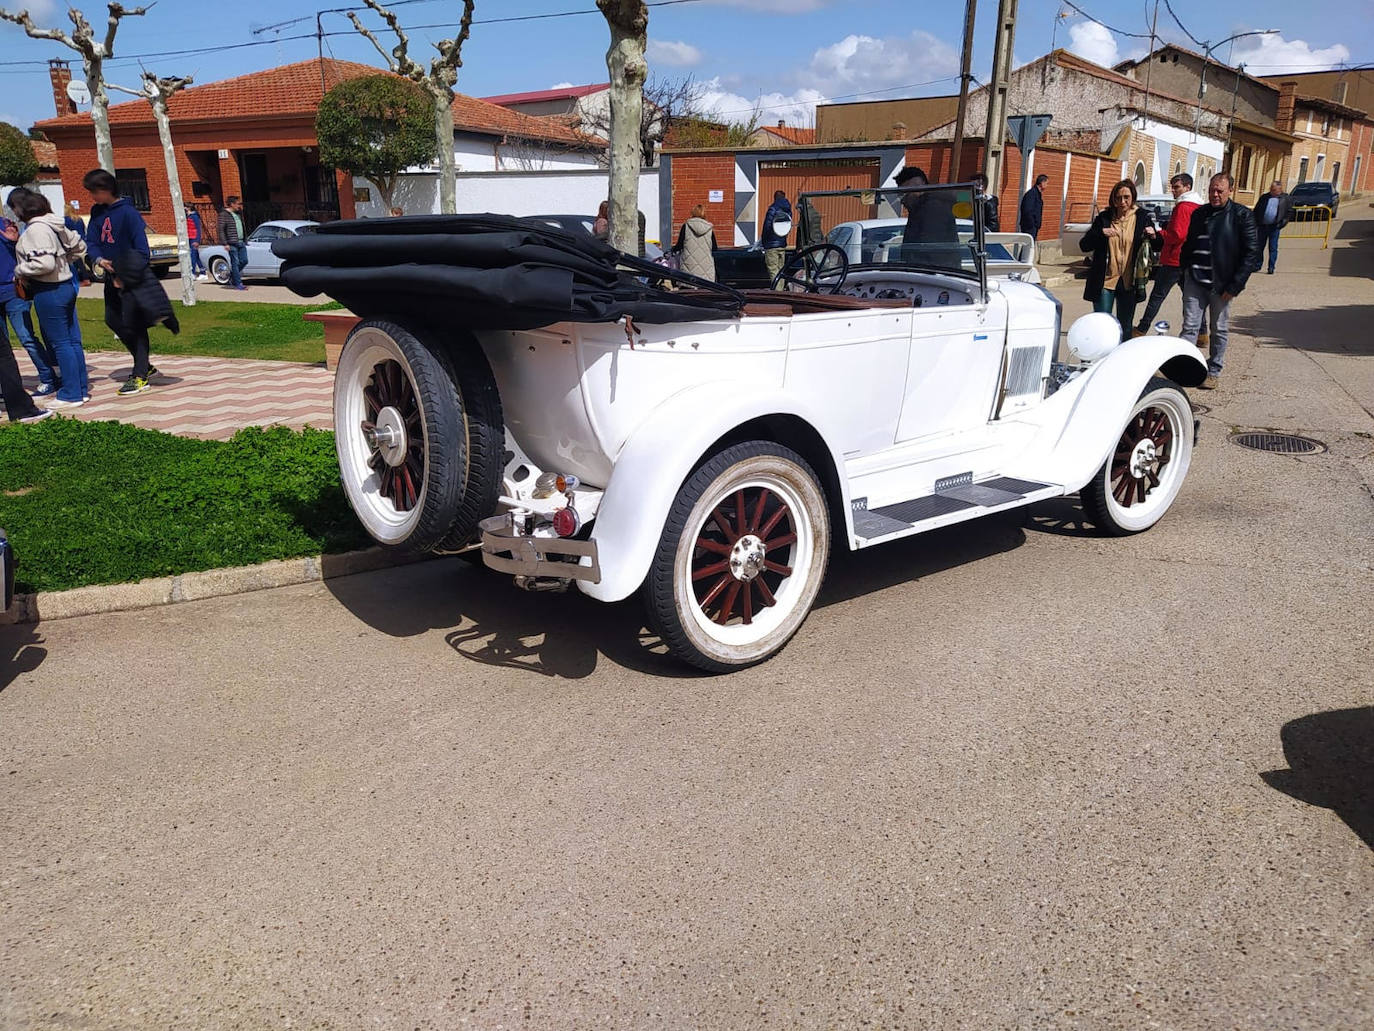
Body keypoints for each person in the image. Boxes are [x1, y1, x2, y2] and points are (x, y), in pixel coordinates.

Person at [84, 168, 174, 396]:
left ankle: (140, 374)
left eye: (95, 192)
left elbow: (142, 251)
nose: (93, 197)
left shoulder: (129, 214)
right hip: (110, 275)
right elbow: (92, 241)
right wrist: (99, 259)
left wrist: (125, 274)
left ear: (106, 190)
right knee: (113, 320)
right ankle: (143, 363)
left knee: (135, 324)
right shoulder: (97, 212)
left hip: (131, 278)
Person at [1179, 172, 1260, 390]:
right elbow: (1189, 245)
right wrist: (1183, 271)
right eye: (1212, 190)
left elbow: (1251, 254)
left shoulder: (1242, 216)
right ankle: (1184, 368)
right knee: (1190, 327)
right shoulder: (1199, 214)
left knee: (1219, 328)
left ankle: (1213, 370)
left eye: (1219, 191)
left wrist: (1235, 285)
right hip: (1195, 279)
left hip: (1222, 284)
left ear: (1229, 191)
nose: (1214, 195)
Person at [9, 188, 88, 409]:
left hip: (49, 289)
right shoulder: (56, 224)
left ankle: (70, 393)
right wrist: (67, 261)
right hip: (66, 285)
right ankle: (80, 389)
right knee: (72, 341)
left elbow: (44, 263)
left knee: (61, 343)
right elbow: (80, 245)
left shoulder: (36, 230)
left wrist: (20, 269)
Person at [1079, 178, 1159, 337]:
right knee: (1102, 326)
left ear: (1132, 198)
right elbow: (1084, 245)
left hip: (1129, 282)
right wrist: (1100, 233)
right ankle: (1101, 358)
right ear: (1113, 199)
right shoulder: (1104, 218)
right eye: (1118, 198)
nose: (1122, 202)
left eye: (1126, 197)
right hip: (1105, 281)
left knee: (1125, 327)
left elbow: (1157, 246)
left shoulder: (1142, 218)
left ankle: (1123, 358)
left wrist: (1154, 235)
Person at [1134, 172, 1204, 337]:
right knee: (1191, 298)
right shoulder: (1198, 206)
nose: (1173, 190)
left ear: (1187, 187)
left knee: (1157, 295)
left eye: (1177, 187)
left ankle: (1141, 329)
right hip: (1189, 258)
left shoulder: (1183, 206)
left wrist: (1160, 233)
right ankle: (1202, 333)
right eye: (1172, 187)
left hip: (1174, 258)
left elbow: (1177, 234)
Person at [0, 212, 59, 397]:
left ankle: (48, 378)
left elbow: (18, 243)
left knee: (26, 337)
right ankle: (7, 386)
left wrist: (9, 236)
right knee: (2, 345)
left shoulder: (5, 224)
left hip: (12, 291)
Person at [896, 165, 959, 268]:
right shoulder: (919, 208)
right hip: (928, 271)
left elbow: (930, 246)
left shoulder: (932, 208)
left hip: (935, 272)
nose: (903, 200)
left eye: (906, 193)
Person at [1251, 180, 1292, 275]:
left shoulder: (1285, 198)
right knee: (1259, 247)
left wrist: (1282, 223)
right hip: (1262, 226)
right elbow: (1257, 210)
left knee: (1273, 248)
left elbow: (1289, 212)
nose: (1271, 191)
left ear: (1280, 190)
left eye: (1274, 189)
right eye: (1271, 189)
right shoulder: (1264, 197)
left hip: (1274, 227)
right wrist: (1255, 221)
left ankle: (1271, 267)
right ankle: (1257, 265)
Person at [674, 203, 717, 281]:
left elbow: (679, 245)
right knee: (705, 289)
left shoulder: (686, 226)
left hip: (688, 264)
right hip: (706, 266)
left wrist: (673, 250)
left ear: (693, 213)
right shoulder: (709, 228)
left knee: (688, 288)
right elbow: (714, 248)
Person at [760, 189, 793, 287]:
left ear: (774, 197)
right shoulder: (788, 210)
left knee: (773, 270)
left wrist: (763, 240)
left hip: (771, 244)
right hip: (782, 244)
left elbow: (767, 226)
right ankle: (781, 291)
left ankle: (777, 292)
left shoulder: (773, 209)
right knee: (780, 270)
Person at [216, 195, 248, 290]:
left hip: (241, 241)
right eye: (238, 204)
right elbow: (220, 230)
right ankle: (238, 284)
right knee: (235, 262)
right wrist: (225, 243)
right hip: (231, 242)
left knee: (244, 260)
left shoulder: (238, 213)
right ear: (232, 204)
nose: (239, 206)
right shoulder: (223, 214)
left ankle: (233, 275)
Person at [1018, 173, 1049, 240]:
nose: (1047, 186)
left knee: (1029, 247)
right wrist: (1032, 224)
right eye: (1046, 183)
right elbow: (1027, 210)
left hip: (1033, 227)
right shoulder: (1031, 194)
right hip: (1029, 227)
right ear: (1042, 183)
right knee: (1028, 247)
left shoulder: (1037, 194)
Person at [186, 207, 206, 280]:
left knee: (193, 256)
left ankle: (193, 273)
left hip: (194, 238)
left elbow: (198, 228)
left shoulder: (194, 216)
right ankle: (203, 272)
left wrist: (197, 240)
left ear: (188, 208)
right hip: (190, 237)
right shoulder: (188, 216)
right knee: (196, 256)